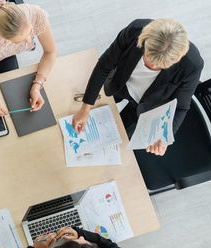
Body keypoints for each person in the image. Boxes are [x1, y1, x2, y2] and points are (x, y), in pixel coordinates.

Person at [72, 19, 203, 156]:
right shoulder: (136, 30)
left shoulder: (192, 65)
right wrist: (85, 107)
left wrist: (164, 138)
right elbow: (105, 65)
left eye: (159, 66)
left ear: (176, 60)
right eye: (148, 58)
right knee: (90, 110)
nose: (151, 66)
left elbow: (181, 107)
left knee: (117, 141)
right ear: (143, 40)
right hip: (120, 82)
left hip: (148, 105)